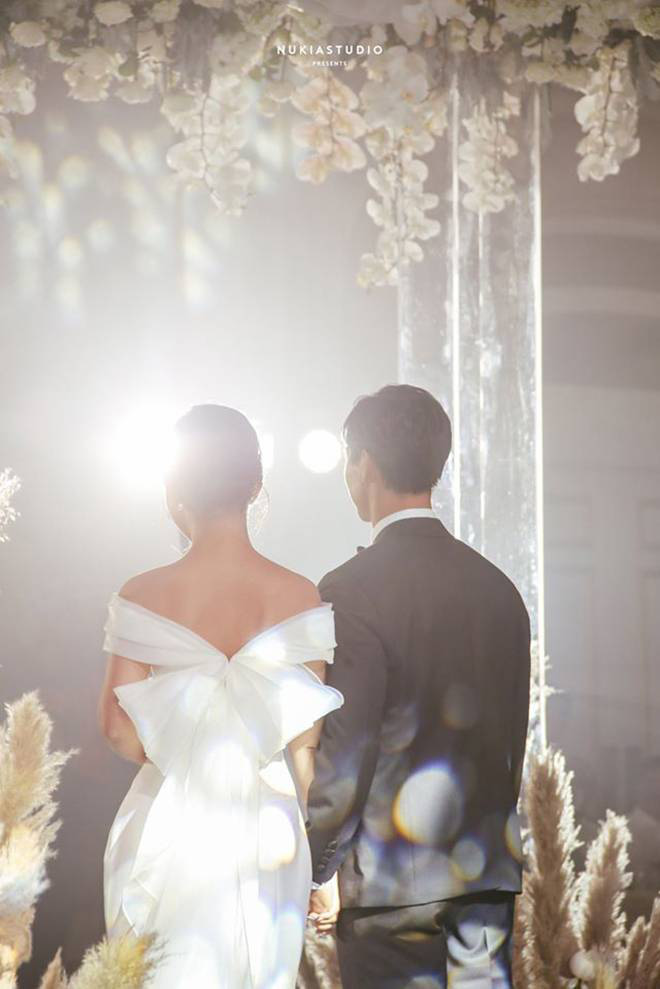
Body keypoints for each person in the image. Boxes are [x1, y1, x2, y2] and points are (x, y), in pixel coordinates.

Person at [98, 404, 343, 988]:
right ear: (255, 486)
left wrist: (191, 747)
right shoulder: (300, 595)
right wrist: (325, 873)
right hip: (269, 831)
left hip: (168, 819)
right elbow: (306, 750)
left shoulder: (143, 592)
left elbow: (116, 728)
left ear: (174, 488)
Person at [306, 384, 531, 989]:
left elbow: (348, 749)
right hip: (486, 884)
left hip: (390, 891)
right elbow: (511, 744)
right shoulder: (500, 590)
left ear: (364, 465)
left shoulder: (351, 588)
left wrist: (318, 864)